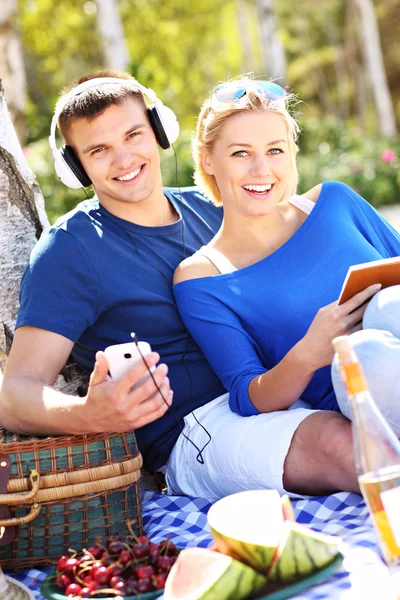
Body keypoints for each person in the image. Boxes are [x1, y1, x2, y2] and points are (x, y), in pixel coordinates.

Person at [0, 72, 358, 503]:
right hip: (197, 431)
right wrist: (88, 414)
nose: (124, 159)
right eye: (99, 150)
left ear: (159, 130)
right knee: (339, 445)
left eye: (133, 135)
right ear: (76, 167)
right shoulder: (69, 252)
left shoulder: (211, 208)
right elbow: (13, 393)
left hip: (281, 388)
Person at [171, 78, 400, 499]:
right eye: (241, 154)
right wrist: (309, 351)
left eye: (275, 150)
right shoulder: (203, 277)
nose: (262, 171)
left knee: (388, 305)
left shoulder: (335, 201)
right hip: (367, 392)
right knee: (363, 352)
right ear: (208, 161)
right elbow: (246, 395)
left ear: (292, 153)